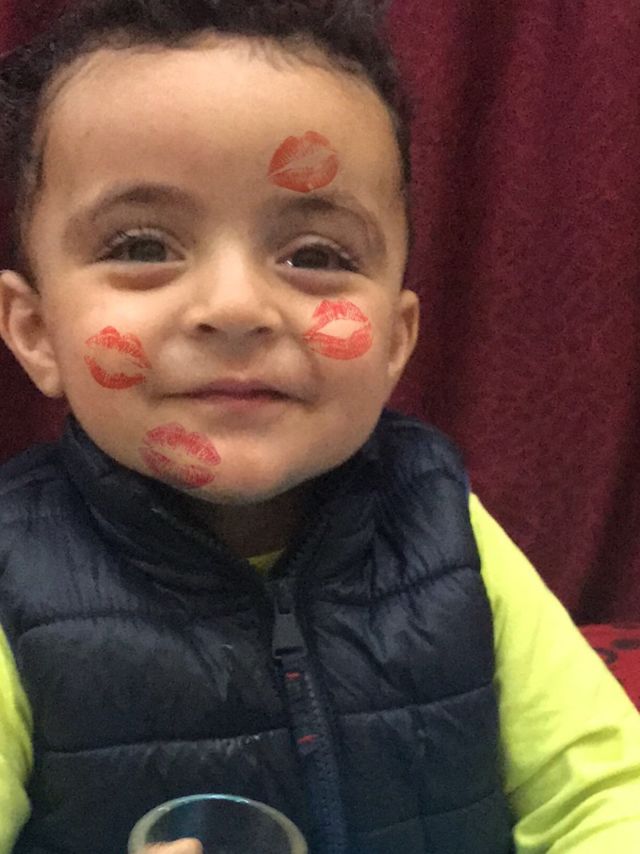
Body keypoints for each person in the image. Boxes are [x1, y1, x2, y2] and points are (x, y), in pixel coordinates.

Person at [0, 1, 639, 852]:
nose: (235, 307)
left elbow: (607, 796)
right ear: (37, 332)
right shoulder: (11, 573)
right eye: (143, 246)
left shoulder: (442, 523)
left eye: (315, 256)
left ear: (395, 344)